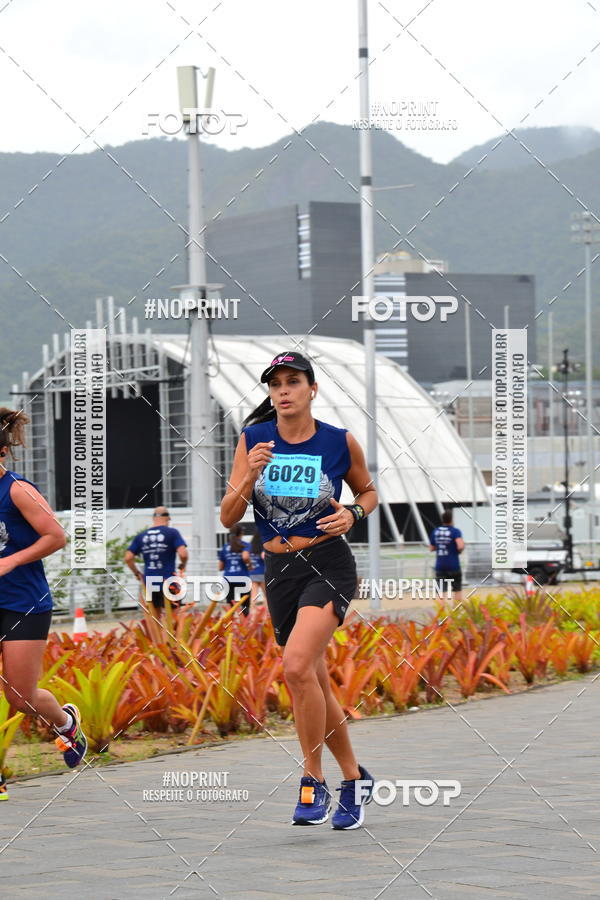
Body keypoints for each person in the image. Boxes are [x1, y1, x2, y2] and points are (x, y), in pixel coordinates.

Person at [221, 350, 378, 830]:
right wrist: (250, 473)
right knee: (312, 678)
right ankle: (354, 778)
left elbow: (368, 491)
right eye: (275, 384)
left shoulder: (338, 441)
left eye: (293, 382)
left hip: (327, 564)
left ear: (313, 389)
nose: (283, 391)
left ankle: (313, 780)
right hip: (279, 570)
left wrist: (353, 514)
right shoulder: (253, 439)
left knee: (294, 668)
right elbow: (228, 516)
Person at [0, 408, 88, 800]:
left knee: (19, 697)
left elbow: (55, 536)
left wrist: (12, 560)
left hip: (23, 602)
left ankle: (66, 723)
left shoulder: (18, 489)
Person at [124, 508, 188, 615]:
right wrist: (183, 564)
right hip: (168, 580)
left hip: (149, 580)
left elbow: (128, 558)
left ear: (153, 518)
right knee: (174, 616)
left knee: (155, 618)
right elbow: (183, 554)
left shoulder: (141, 536)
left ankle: (158, 631)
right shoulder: (172, 533)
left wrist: (137, 573)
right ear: (167, 518)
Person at [429, 509, 465, 603]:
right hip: (454, 566)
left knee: (441, 592)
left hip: (440, 566)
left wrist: (441, 545)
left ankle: (441, 615)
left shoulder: (436, 531)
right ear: (452, 520)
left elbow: (431, 548)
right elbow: (460, 545)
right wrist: (458, 550)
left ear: (443, 519)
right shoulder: (455, 531)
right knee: (457, 590)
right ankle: (455, 615)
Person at [218, 525, 251, 616]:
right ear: (241, 534)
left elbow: (220, 567)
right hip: (243, 578)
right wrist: (249, 565)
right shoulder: (245, 545)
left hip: (229, 579)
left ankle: (231, 627)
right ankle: (244, 627)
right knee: (245, 606)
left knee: (231, 607)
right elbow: (245, 556)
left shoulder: (225, 547)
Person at [242, 530, 265, 606]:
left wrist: (249, 566)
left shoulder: (249, 546)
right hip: (262, 573)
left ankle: (252, 613)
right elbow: (264, 557)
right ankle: (267, 615)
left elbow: (245, 557)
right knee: (267, 596)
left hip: (252, 573)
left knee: (254, 595)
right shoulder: (263, 546)